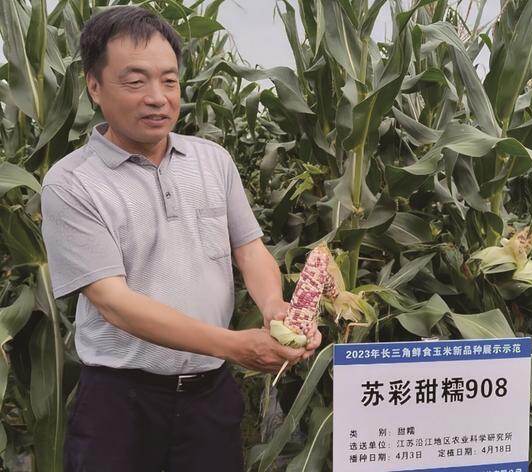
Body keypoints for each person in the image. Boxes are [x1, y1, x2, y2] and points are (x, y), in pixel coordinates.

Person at [40, 7, 321, 472]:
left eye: (169, 81)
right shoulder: (72, 184)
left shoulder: (213, 161)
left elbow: (249, 249)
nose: (157, 98)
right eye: (136, 82)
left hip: (209, 400)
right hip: (120, 404)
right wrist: (235, 346)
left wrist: (274, 308)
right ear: (94, 86)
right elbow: (114, 303)